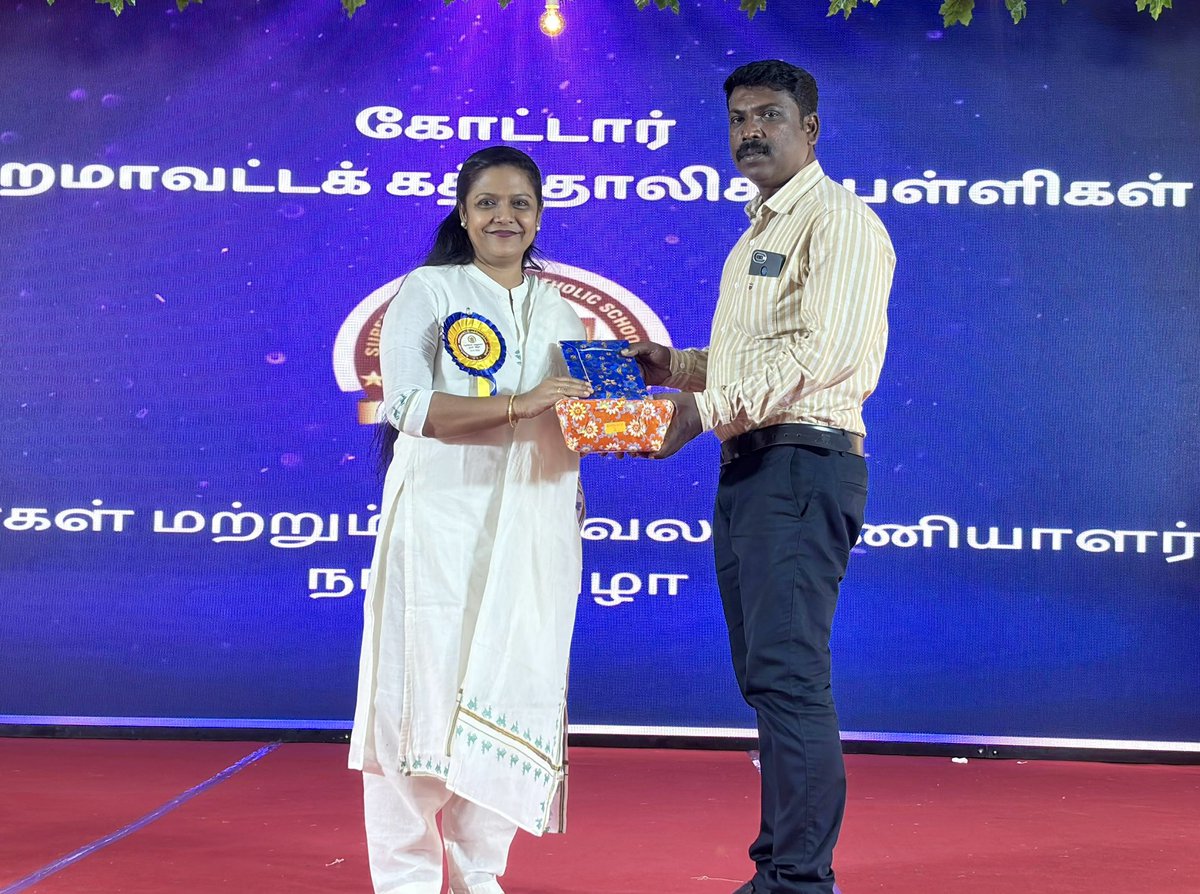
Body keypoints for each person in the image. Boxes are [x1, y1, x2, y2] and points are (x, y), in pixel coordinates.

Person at [625, 60, 896, 894]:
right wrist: (674, 367)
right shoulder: (756, 232)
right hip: (752, 467)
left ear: (810, 129)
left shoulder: (838, 220)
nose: (752, 131)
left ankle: (800, 881)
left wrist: (701, 412)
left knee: (788, 676)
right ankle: (781, 869)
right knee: (766, 677)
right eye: (740, 117)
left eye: (771, 116)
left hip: (801, 463)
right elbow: (757, 356)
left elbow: (825, 356)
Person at [348, 145, 592, 894]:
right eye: (487, 202)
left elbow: (592, 417)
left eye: (520, 203)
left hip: (534, 521)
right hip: (440, 521)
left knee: (513, 680)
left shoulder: (563, 309)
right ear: (463, 214)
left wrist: (632, 416)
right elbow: (410, 408)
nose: (504, 216)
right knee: (420, 688)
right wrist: (525, 402)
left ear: (540, 215)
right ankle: (408, 877)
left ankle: (480, 868)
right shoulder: (427, 291)